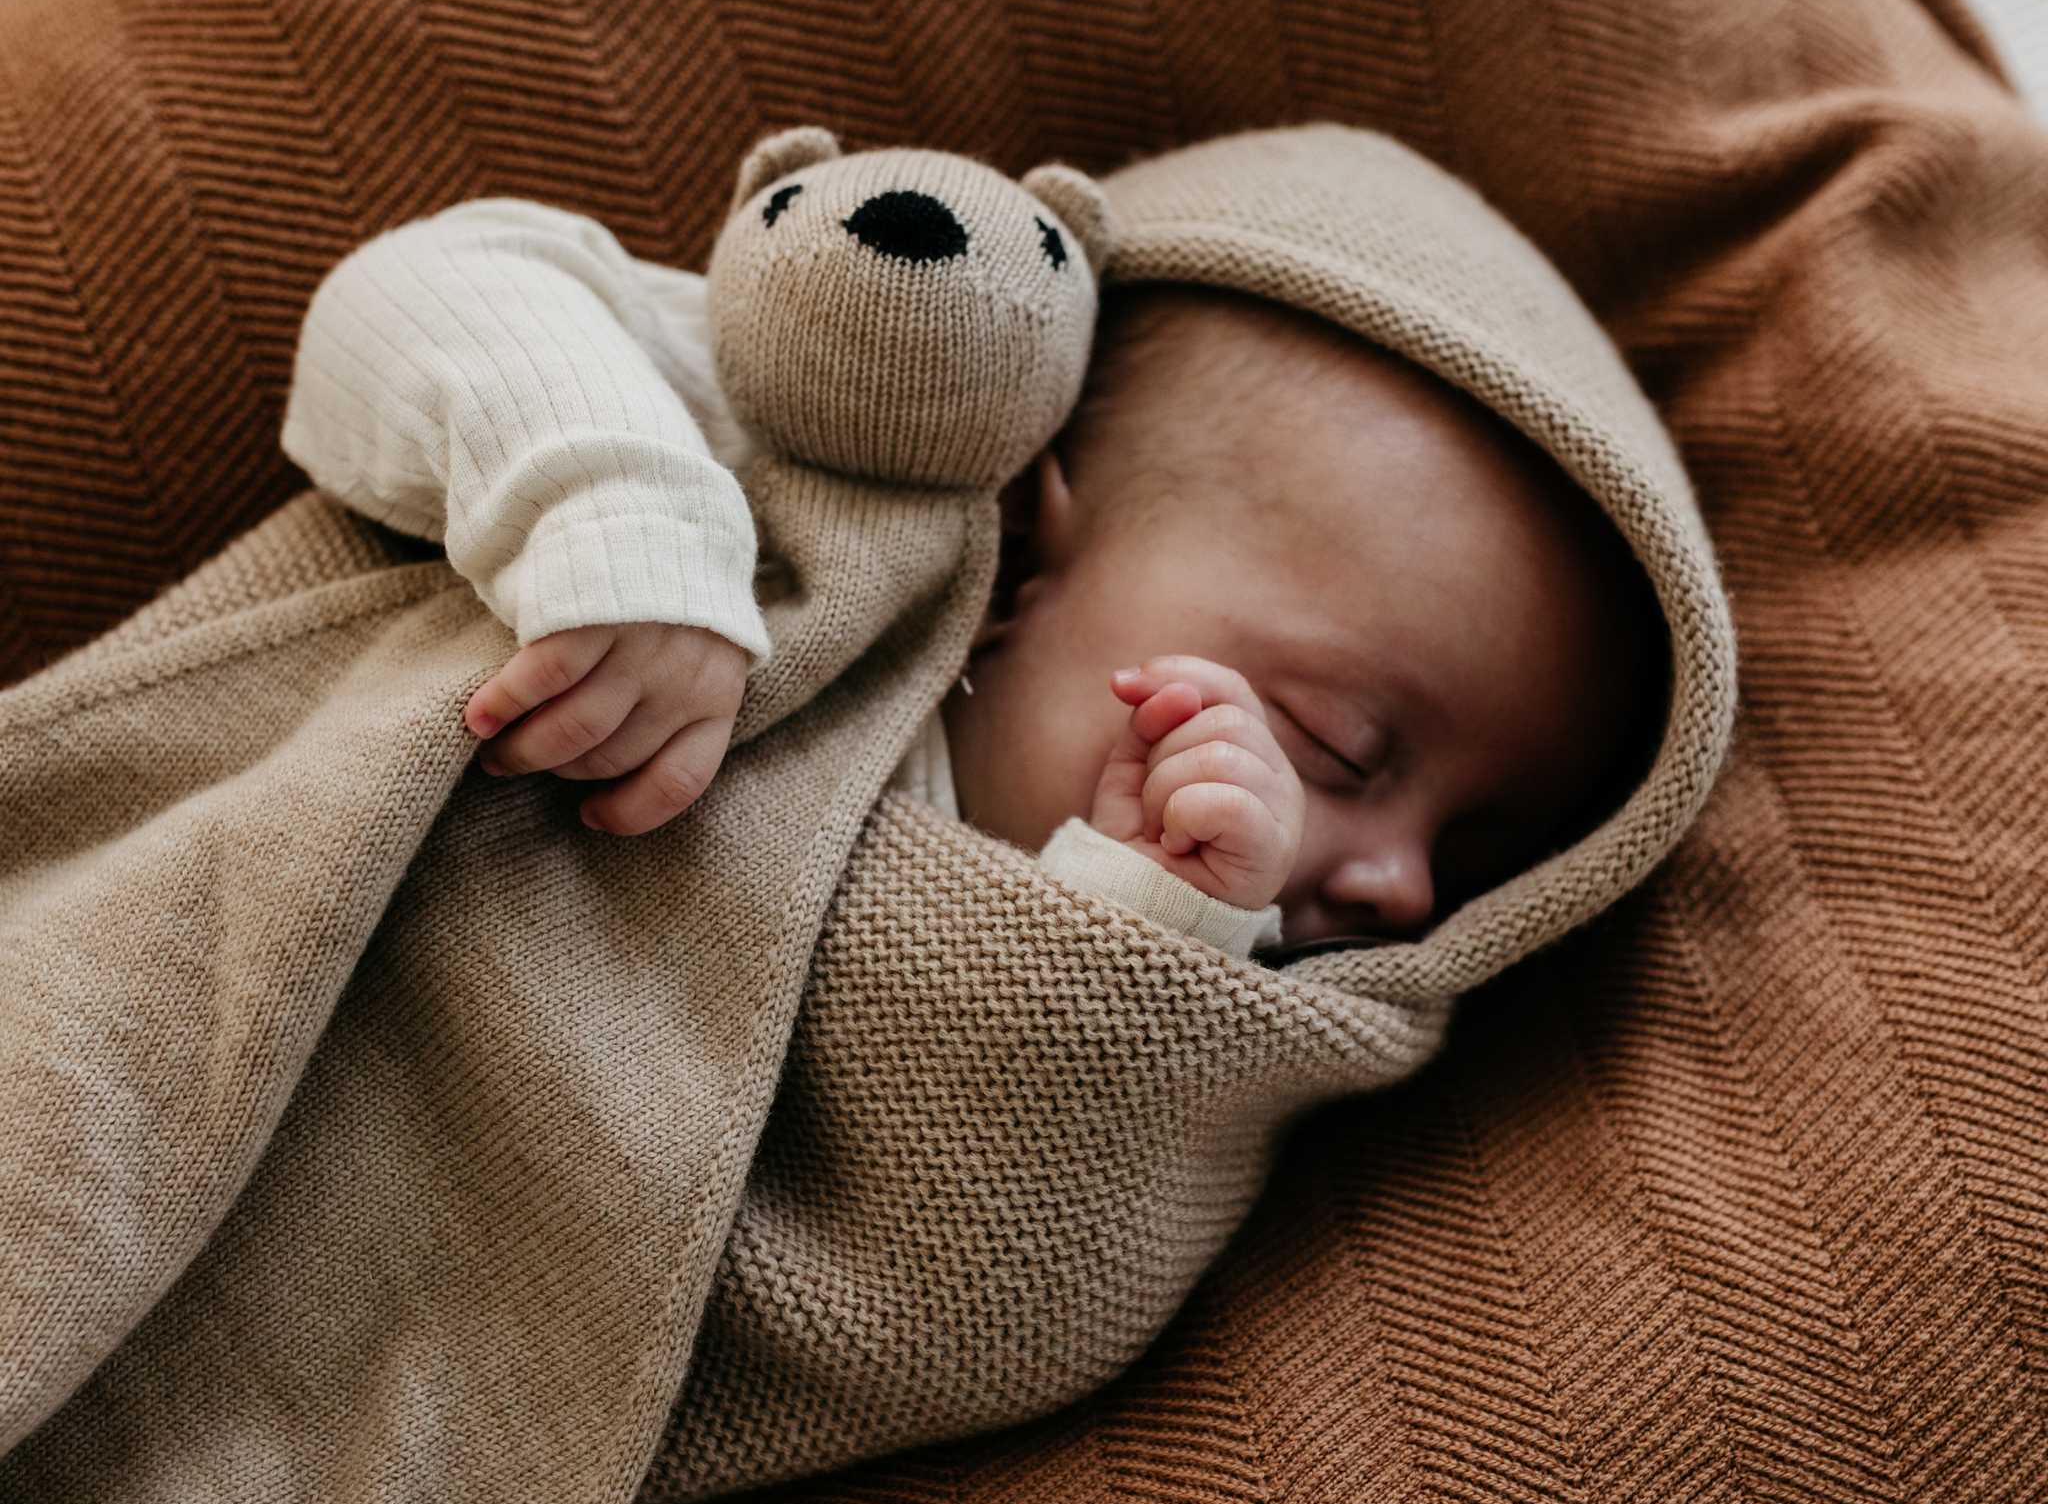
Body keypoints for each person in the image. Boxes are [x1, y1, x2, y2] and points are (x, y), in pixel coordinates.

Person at [281, 190, 1666, 968]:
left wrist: (1146, 929)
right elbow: (424, 289)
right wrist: (624, 527)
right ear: (1019, 538)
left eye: (1480, 853)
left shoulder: (1246, 1002)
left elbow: (972, 1235)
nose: (1407, 893)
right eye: (1343, 747)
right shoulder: (795, 509)